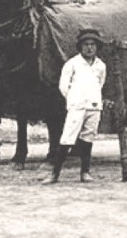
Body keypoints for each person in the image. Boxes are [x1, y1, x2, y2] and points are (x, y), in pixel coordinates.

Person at [44, 28, 107, 184]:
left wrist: (93, 99)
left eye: (92, 44)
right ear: (80, 47)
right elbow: (63, 87)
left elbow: (100, 83)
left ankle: (85, 172)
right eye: (86, 44)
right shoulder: (72, 64)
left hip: (94, 107)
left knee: (88, 139)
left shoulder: (101, 66)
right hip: (76, 107)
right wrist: (74, 100)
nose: (89, 48)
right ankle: (54, 174)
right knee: (67, 139)